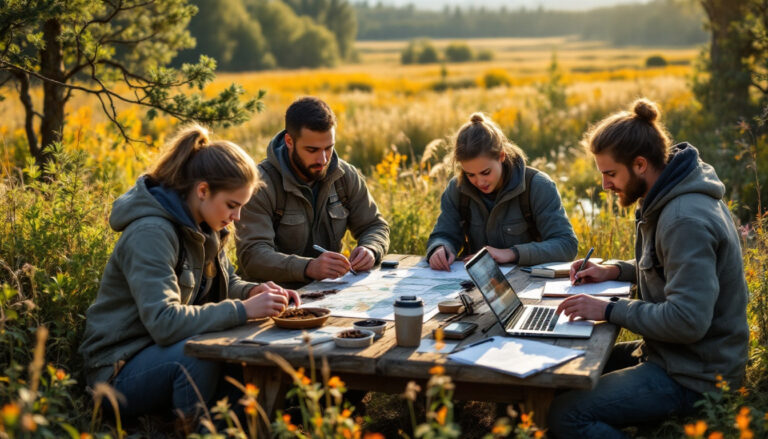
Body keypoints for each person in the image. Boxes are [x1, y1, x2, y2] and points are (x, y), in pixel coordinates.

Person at [548, 99, 749, 438]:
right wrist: (614, 271)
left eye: (611, 174)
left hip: (697, 376)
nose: (605, 185)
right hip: (671, 355)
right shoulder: (670, 194)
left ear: (640, 164)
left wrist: (608, 309)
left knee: (565, 415)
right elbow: (668, 266)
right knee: (563, 372)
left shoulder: (684, 219)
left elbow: (687, 321)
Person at [79, 125, 301, 422]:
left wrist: (252, 292)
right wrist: (244, 310)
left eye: (241, 208)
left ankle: (244, 425)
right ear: (203, 191)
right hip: (118, 371)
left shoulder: (206, 223)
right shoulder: (151, 233)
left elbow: (224, 282)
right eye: (232, 206)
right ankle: (194, 429)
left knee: (249, 354)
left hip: (162, 351)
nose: (236, 217)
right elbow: (164, 322)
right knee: (199, 355)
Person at [236, 97, 389, 286]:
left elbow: (374, 225)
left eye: (329, 148)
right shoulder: (259, 184)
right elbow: (253, 256)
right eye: (312, 150)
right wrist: (308, 267)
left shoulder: (344, 176)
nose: (323, 159)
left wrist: (371, 249)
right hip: (273, 296)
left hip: (329, 291)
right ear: (289, 141)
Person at [426, 112, 577, 270]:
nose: (480, 182)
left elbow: (566, 244)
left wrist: (512, 253)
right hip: (473, 281)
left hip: (529, 281)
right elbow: (444, 234)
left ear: (501, 156)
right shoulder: (456, 189)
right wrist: (440, 248)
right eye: (470, 174)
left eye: (486, 172)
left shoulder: (538, 186)